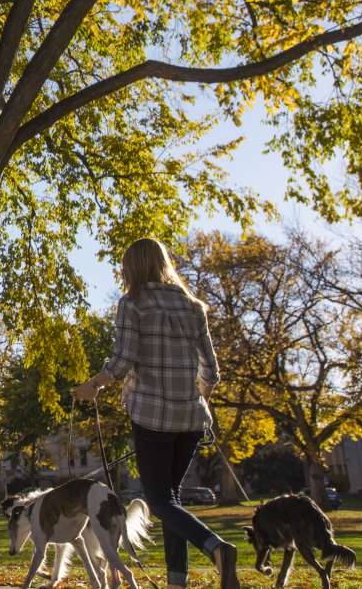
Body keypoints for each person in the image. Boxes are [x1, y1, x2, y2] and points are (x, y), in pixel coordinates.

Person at [74, 237, 239, 589]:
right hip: (192, 419)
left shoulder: (132, 303)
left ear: (130, 268)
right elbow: (211, 372)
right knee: (172, 501)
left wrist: (93, 385)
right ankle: (176, 582)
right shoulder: (193, 306)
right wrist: (199, 399)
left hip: (152, 416)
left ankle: (217, 547)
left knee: (159, 500)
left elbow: (121, 361)